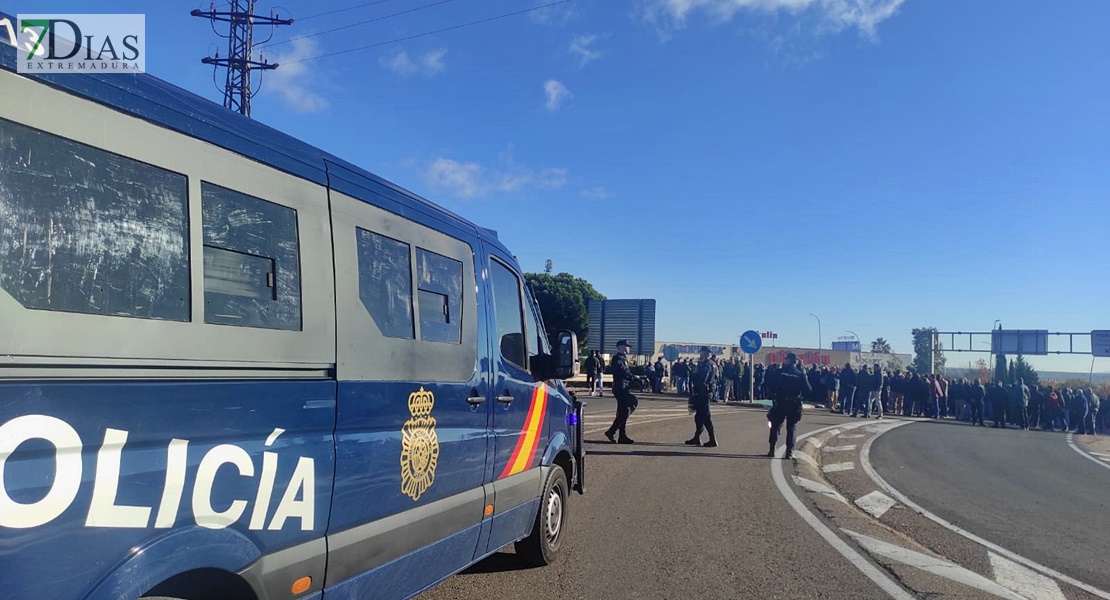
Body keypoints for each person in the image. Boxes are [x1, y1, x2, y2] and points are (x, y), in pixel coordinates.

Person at [766, 352, 811, 459]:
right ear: (795, 362)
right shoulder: (800, 374)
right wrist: (800, 396)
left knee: (775, 426)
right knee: (791, 428)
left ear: (787, 360)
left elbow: (770, 385)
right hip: (794, 404)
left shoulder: (779, 372)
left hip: (780, 402)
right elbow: (808, 389)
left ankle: (772, 449)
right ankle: (789, 452)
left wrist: (774, 395)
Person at [604, 340, 637, 444]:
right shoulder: (617, 359)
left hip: (624, 386)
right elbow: (623, 371)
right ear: (621, 347)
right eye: (627, 346)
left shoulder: (623, 358)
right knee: (630, 405)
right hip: (620, 387)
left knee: (623, 410)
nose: (629, 348)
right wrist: (634, 377)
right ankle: (612, 430)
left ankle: (622, 436)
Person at [685, 346, 719, 447]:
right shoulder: (712, 364)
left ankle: (713, 439)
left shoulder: (706, 365)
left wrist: (695, 374)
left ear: (704, 353)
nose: (700, 354)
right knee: (699, 416)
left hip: (703, 392)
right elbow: (717, 378)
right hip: (705, 392)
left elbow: (701, 380)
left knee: (705, 416)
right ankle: (696, 438)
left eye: (701, 353)